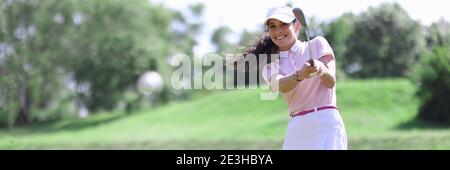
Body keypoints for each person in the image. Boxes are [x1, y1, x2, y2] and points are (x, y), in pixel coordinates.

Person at [245, 6, 347, 150]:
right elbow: (280, 85)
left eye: (284, 24)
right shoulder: (270, 66)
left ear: (297, 25)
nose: (278, 31)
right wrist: (301, 74)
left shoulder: (317, 44)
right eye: (272, 27)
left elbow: (330, 82)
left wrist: (320, 68)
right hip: (298, 126)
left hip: (326, 120)